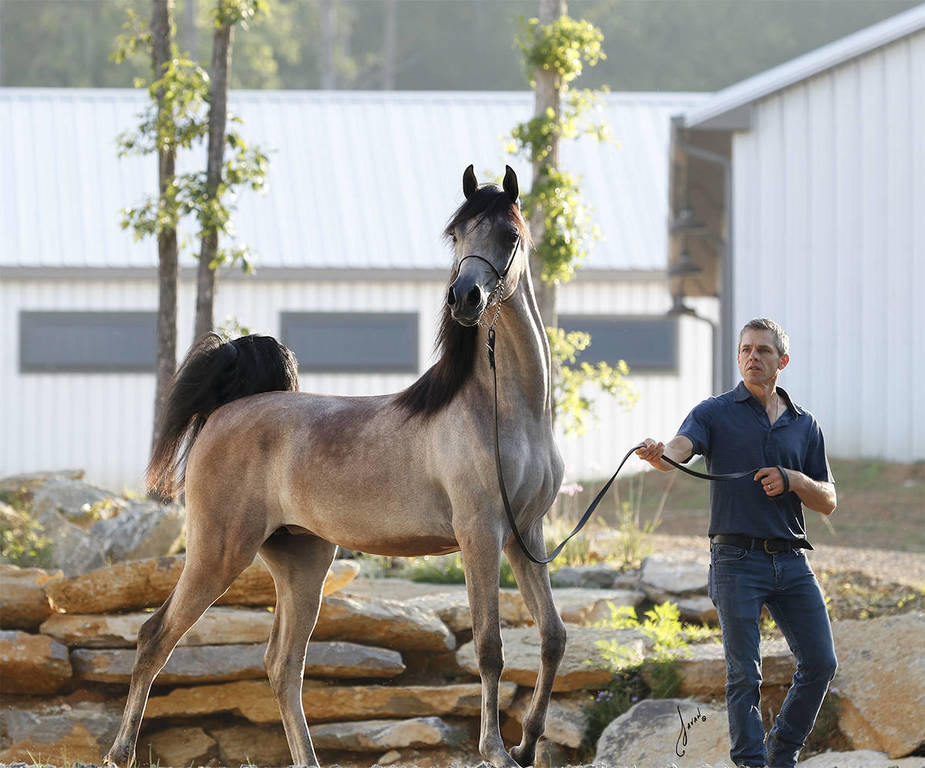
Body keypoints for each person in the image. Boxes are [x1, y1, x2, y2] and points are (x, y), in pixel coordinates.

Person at [636, 317, 838, 768]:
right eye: (745, 350)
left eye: (763, 351)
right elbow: (681, 448)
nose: (752, 358)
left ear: (782, 361)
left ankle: (780, 754)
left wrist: (793, 479)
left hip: (790, 560)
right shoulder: (714, 411)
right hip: (734, 560)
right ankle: (750, 763)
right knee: (744, 674)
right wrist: (661, 454)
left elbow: (828, 500)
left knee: (822, 663)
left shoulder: (805, 425)